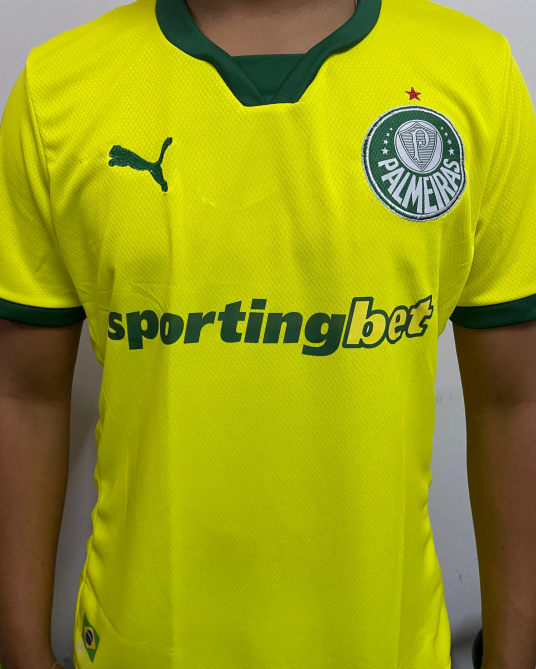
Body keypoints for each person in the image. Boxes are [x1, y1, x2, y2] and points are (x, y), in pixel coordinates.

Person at [1, 0, 536, 668]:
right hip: (142, 648)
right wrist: (20, 651)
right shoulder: (57, 88)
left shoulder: (474, 73)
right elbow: (23, 393)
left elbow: (514, 399)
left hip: (386, 646)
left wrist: (515, 655)